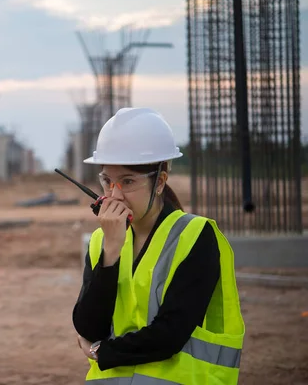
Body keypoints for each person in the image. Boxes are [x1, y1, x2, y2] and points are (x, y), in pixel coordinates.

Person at [72, 107, 245, 384]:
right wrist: (111, 253)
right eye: (107, 181)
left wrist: (103, 352)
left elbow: (170, 334)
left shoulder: (195, 236)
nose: (115, 195)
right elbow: (89, 325)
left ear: (160, 182)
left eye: (127, 182)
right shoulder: (101, 241)